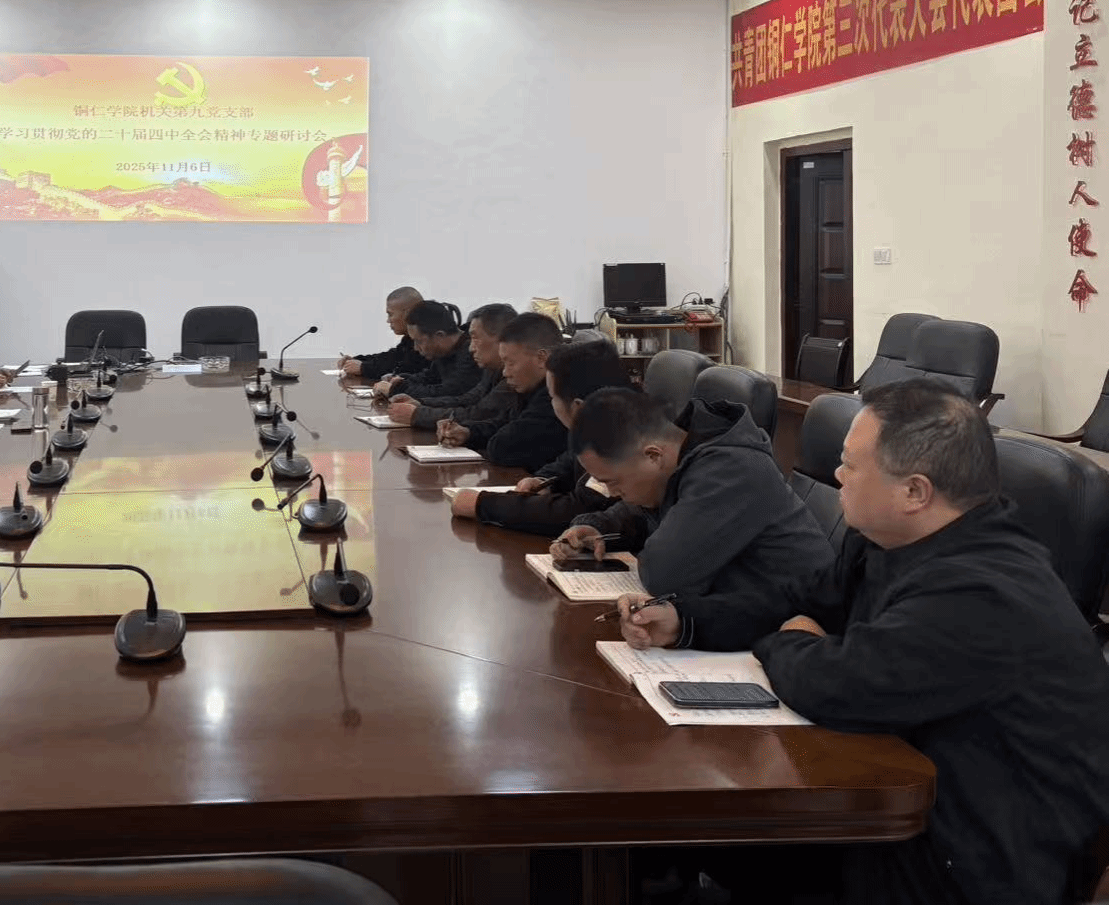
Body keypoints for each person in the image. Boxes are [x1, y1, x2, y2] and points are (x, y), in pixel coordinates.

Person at [618, 381, 1109, 905]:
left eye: (851, 465)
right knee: (679, 826)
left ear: (914, 492)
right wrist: (685, 620)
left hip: (973, 859)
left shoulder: (982, 591)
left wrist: (792, 639)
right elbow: (796, 599)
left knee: (709, 831)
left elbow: (836, 684)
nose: (836, 475)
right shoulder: (889, 538)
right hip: (900, 793)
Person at [551, 387, 833, 629]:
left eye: (613, 482)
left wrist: (645, 537)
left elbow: (664, 575)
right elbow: (641, 510)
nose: (613, 495)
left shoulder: (730, 471)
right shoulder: (683, 454)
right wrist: (597, 526)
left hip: (801, 628)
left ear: (653, 455)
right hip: (743, 617)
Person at [453, 336, 630, 532]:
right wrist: (545, 481)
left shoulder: (623, 441)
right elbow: (570, 459)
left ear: (578, 407)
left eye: (552, 397)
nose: (550, 404)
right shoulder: (606, 422)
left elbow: (579, 509)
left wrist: (483, 505)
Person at [437, 312, 570, 470]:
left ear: (541, 358)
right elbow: (505, 422)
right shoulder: (531, 387)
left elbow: (504, 447)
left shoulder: (560, 393)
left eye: (511, 363)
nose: (505, 373)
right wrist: (468, 433)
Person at [386, 302, 518, 428]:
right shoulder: (492, 370)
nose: (471, 348)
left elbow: (478, 413)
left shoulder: (512, 376)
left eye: (475, 338)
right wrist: (420, 403)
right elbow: (468, 399)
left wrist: (417, 414)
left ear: (503, 339)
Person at [372, 300, 479, 402]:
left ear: (439, 336)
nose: (415, 348)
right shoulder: (445, 352)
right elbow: (430, 377)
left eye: (419, 341)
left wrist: (395, 390)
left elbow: (449, 392)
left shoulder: (473, 352)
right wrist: (400, 380)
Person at [338, 286, 425, 379]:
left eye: (390, 314)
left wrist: (364, 368)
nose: (388, 320)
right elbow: (391, 358)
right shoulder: (409, 339)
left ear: (408, 314)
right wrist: (359, 360)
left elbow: (405, 369)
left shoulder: (427, 341)